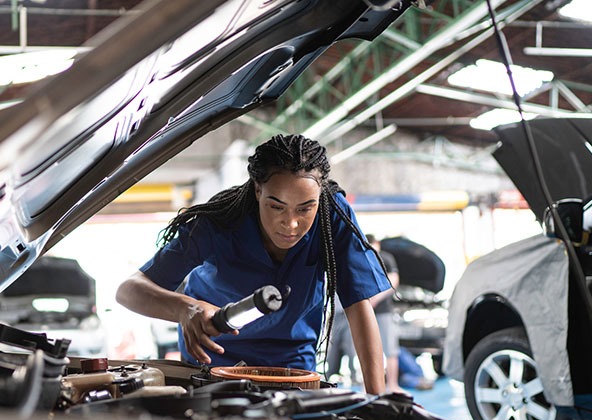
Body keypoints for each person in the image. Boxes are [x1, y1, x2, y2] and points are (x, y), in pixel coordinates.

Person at [116, 134, 391, 395]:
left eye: (305, 208)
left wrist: (377, 400)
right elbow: (129, 290)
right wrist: (185, 309)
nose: (291, 223)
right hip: (213, 364)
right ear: (258, 190)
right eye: (277, 207)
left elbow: (358, 306)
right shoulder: (219, 222)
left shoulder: (332, 216)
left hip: (292, 369)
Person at [367, 234, 403, 393]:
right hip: (368, 312)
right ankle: (371, 386)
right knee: (369, 350)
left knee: (390, 350)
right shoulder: (363, 259)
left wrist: (375, 299)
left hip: (384, 311)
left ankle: (392, 385)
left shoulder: (386, 258)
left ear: (378, 244)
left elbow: (393, 282)